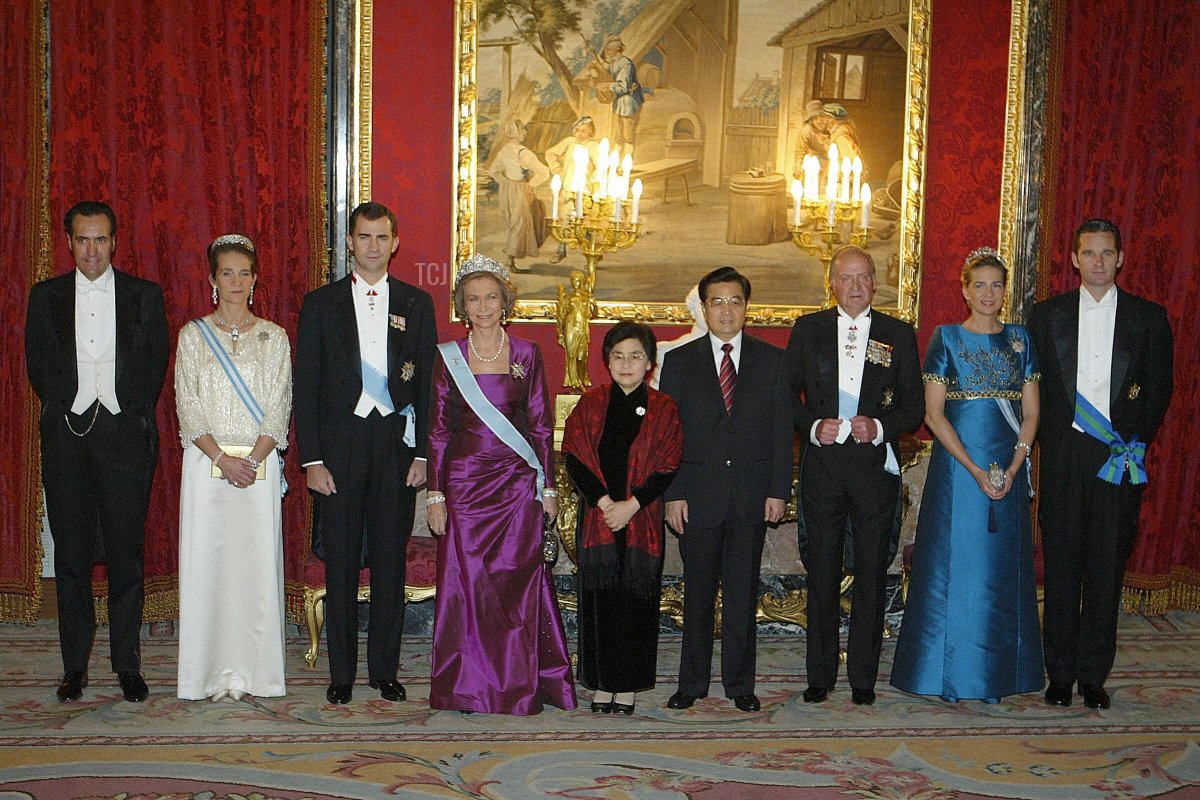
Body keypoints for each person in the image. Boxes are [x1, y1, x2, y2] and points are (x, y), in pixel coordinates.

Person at [294, 201, 438, 705]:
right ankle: (342, 674)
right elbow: (305, 386)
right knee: (339, 566)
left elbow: (426, 390)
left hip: (394, 449)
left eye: (382, 238)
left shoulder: (418, 304)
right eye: (364, 237)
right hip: (338, 450)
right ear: (349, 242)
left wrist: (422, 454)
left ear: (395, 243)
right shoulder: (320, 303)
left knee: (389, 564)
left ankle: (384, 670)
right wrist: (311, 460)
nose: (373, 246)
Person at [25, 200, 169, 703]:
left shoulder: (144, 296)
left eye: (101, 239)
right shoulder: (43, 297)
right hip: (66, 439)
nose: (92, 249)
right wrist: (70, 407)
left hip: (125, 440)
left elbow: (154, 363)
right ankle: (74, 666)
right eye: (83, 239)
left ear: (114, 241)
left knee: (127, 556)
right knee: (72, 557)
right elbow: (37, 366)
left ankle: (127, 665)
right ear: (69, 243)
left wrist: (126, 413)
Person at [1029, 218, 1174, 710]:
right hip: (1065, 458)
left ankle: (1094, 675)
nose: (1097, 262)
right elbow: (1036, 391)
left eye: (1106, 253)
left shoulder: (1149, 318)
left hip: (1119, 459)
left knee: (1106, 569)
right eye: (1088, 253)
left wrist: (1132, 443)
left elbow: (1159, 392)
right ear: (1073, 259)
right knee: (1064, 565)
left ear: (1121, 259)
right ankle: (1060, 675)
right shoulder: (1044, 316)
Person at [890, 247, 1043, 703]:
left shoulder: (1021, 340)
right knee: (954, 569)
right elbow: (934, 417)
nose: (989, 293)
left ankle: (999, 675)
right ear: (964, 290)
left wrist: (1014, 466)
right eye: (980, 285)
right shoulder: (947, 338)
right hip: (958, 474)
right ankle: (946, 675)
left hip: (1009, 475)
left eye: (997, 285)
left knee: (1000, 571)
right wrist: (975, 469)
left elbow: (1032, 413)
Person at [426, 254, 576, 715]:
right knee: (466, 583)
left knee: (515, 582)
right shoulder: (447, 357)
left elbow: (539, 426)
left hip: (514, 484)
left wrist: (547, 487)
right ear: (463, 306)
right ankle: (467, 684)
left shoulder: (527, 354)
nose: (483, 306)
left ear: (505, 302)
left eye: (491, 297)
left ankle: (517, 684)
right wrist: (436, 494)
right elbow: (437, 430)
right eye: (474, 299)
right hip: (466, 483)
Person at [786, 245, 923, 706]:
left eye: (863, 277)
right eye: (847, 278)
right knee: (821, 574)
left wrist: (880, 427)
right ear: (832, 282)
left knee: (870, 573)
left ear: (875, 282)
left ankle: (863, 677)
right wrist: (810, 426)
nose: (856, 286)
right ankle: (820, 676)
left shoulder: (897, 333)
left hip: (872, 470)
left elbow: (915, 407)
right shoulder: (808, 330)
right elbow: (784, 398)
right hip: (823, 468)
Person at [659, 267, 792, 713]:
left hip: (752, 495)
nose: (727, 309)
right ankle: (691, 683)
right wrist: (673, 493)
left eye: (735, 300)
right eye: (717, 301)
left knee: (742, 593)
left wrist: (779, 489)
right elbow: (669, 435)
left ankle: (739, 683)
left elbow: (780, 432)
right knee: (695, 594)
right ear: (704, 307)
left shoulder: (772, 360)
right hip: (697, 496)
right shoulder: (679, 361)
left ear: (746, 307)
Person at [174, 234, 292, 702]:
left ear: (256, 279)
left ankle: (257, 674)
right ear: (212, 279)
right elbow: (189, 408)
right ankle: (204, 674)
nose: (237, 281)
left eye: (245, 273)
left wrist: (253, 460)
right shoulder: (192, 336)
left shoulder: (275, 336)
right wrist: (223, 461)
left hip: (258, 470)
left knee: (254, 570)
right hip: (206, 468)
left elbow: (279, 407)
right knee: (208, 568)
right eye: (227, 272)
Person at [563, 321, 683, 716]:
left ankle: (627, 686)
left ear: (649, 363)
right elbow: (576, 458)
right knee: (599, 604)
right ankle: (601, 684)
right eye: (618, 356)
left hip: (640, 520)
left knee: (635, 606)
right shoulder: (592, 403)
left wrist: (631, 505)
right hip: (599, 520)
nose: (626, 364)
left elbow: (668, 465)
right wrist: (603, 503)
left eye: (635, 356)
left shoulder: (663, 408)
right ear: (607, 361)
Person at [488, 119, 550, 271]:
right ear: (516, 133)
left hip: (508, 190)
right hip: (520, 190)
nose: (525, 132)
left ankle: (511, 260)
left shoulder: (504, 150)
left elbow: (493, 171)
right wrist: (530, 185)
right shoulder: (524, 153)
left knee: (516, 223)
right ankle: (510, 260)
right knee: (519, 224)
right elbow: (544, 171)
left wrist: (505, 182)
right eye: (523, 130)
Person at [545, 116, 600, 264]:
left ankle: (592, 250)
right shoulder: (569, 142)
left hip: (585, 190)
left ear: (590, 133)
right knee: (567, 218)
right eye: (578, 130)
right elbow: (550, 153)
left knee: (585, 221)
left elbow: (601, 165)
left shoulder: (593, 146)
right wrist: (557, 169)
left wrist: (594, 179)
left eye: (584, 131)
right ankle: (561, 250)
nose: (580, 134)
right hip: (569, 188)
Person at [599, 35, 644, 159]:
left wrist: (608, 85)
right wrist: (597, 83)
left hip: (630, 102)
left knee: (628, 136)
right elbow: (606, 78)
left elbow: (623, 87)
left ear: (616, 49)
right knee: (618, 136)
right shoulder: (613, 64)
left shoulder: (626, 64)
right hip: (619, 102)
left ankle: (626, 162)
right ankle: (614, 161)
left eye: (608, 49)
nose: (606, 52)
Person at [556, 270, 597, 391]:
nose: (576, 283)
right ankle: (574, 383)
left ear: (582, 282)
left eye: (578, 281)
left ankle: (581, 378)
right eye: (574, 281)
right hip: (570, 326)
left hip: (582, 328)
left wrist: (593, 305)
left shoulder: (586, 297)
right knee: (570, 355)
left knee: (581, 357)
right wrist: (560, 334)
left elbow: (593, 314)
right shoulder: (568, 297)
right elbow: (561, 316)